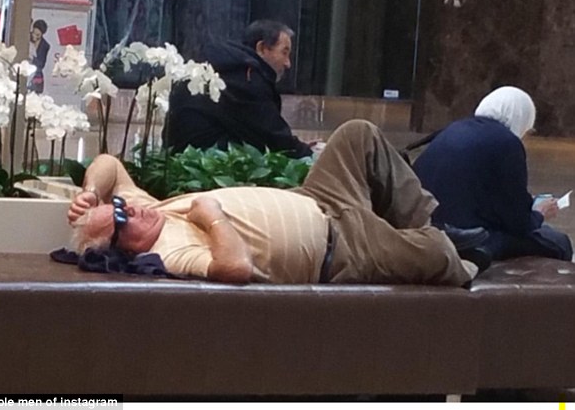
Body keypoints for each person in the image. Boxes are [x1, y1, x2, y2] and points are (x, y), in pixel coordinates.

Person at [68, 120, 490, 287]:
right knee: (436, 253)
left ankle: (429, 223)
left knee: (357, 134)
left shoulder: (149, 209)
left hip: (318, 198)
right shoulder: (168, 253)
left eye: (120, 204)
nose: (130, 208)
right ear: (124, 248)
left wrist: (90, 192)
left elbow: (109, 164)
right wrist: (213, 219)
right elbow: (236, 268)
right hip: (339, 248)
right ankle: (456, 250)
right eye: (120, 216)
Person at [413, 86, 573, 262]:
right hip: (469, 239)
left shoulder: (452, 129)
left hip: (429, 230)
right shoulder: (508, 143)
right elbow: (519, 224)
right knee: (558, 242)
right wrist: (540, 213)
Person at [165, 20, 313, 158]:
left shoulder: (228, 67)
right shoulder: (248, 78)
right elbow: (275, 137)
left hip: (179, 159)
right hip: (209, 165)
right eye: (284, 53)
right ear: (261, 48)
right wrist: (310, 154)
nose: (288, 64)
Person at [28, 19, 51, 94]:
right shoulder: (26, 38)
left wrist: (32, 59)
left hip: (36, 77)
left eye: (37, 35)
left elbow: (41, 64)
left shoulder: (45, 46)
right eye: (33, 33)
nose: (34, 36)